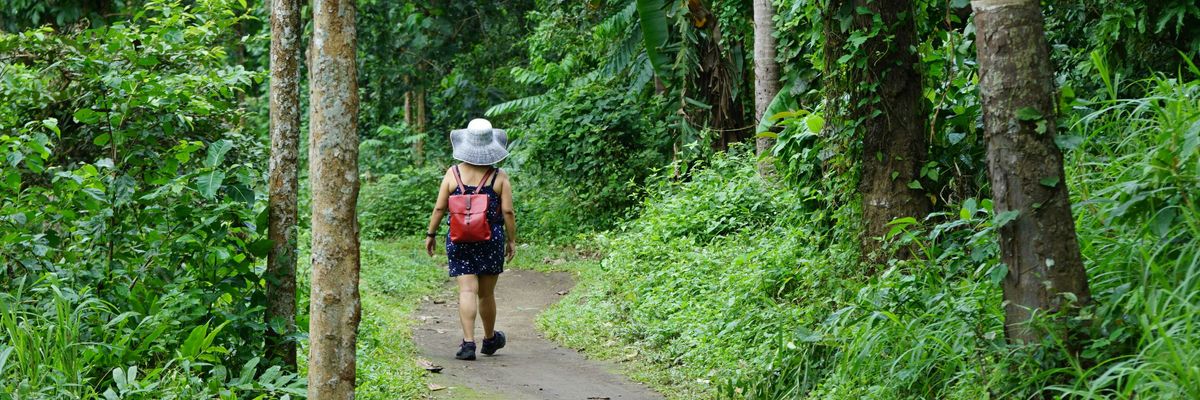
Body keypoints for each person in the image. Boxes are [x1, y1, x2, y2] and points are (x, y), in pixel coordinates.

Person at [424, 118, 517, 361]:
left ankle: (468, 344)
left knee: (466, 290)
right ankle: (489, 339)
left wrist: (431, 234)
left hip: (458, 238)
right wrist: (512, 240)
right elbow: (508, 212)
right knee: (486, 294)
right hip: (491, 239)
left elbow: (439, 209)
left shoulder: (452, 174)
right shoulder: (499, 177)